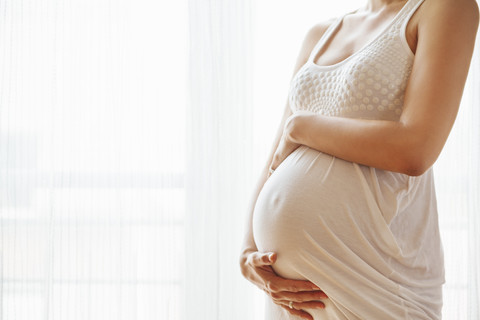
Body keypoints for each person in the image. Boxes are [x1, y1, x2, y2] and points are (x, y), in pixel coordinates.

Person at [239, 0, 479, 319]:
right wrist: (247, 252)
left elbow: (416, 148)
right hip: (293, 298)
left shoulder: (445, 8)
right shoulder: (319, 34)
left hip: (376, 285)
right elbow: (276, 154)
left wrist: (301, 126)